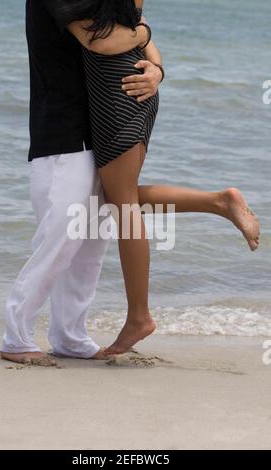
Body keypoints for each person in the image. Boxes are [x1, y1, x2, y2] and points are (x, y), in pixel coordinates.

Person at [64, 0, 260, 355]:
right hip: (129, 88)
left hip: (119, 92)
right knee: (119, 200)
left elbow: (102, 42)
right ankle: (219, 202)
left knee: (123, 206)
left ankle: (139, 317)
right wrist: (156, 64)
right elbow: (137, 26)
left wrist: (156, 66)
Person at [0, 0, 163, 364]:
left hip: (99, 132)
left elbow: (134, 31)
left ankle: (70, 337)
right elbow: (100, 41)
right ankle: (16, 335)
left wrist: (157, 71)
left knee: (90, 246)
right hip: (62, 134)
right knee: (60, 239)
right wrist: (144, 33)